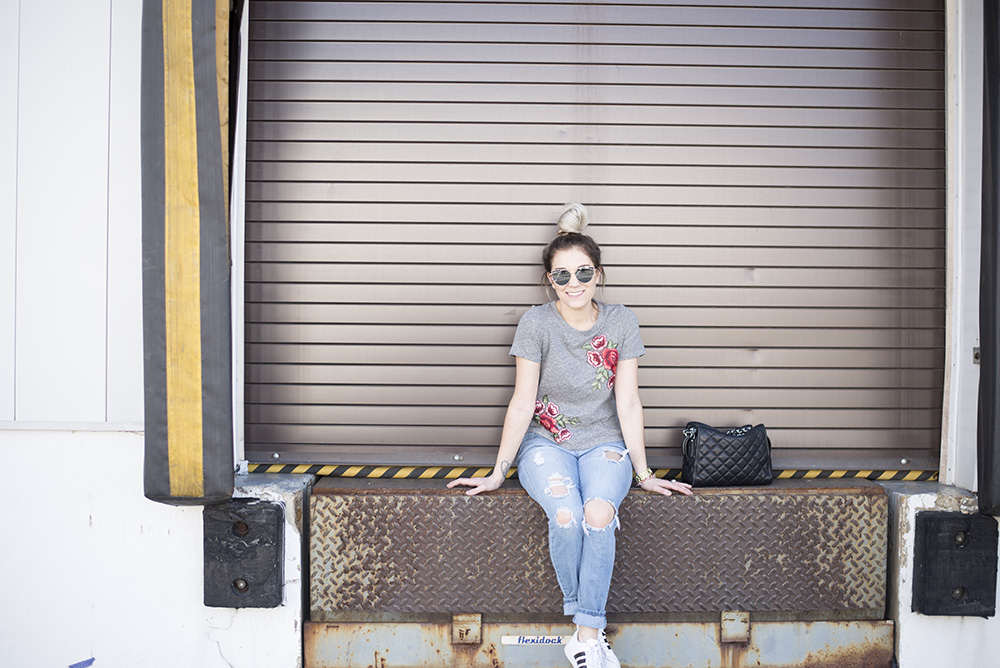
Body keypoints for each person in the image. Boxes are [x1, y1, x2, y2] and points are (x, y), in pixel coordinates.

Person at [447, 203, 693, 668]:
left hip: (605, 444)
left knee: (597, 516)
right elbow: (522, 402)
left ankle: (584, 634)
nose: (573, 284)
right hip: (546, 444)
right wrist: (499, 473)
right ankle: (590, 633)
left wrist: (644, 473)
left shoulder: (621, 321)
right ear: (548, 281)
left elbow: (628, 402)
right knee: (565, 515)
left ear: (599, 274)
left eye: (583, 273)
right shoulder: (536, 324)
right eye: (561, 276)